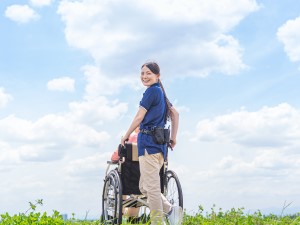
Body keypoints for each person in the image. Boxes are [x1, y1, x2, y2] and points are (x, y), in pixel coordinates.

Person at [121, 62, 182, 225]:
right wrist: (173, 137)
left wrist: (126, 135)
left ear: (157, 76)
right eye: (142, 74)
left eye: (148, 73)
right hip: (160, 146)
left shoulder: (151, 92)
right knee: (144, 188)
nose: (144, 77)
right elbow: (175, 114)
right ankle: (170, 210)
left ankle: (157, 222)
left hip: (149, 144)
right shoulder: (161, 93)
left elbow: (139, 117)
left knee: (152, 190)